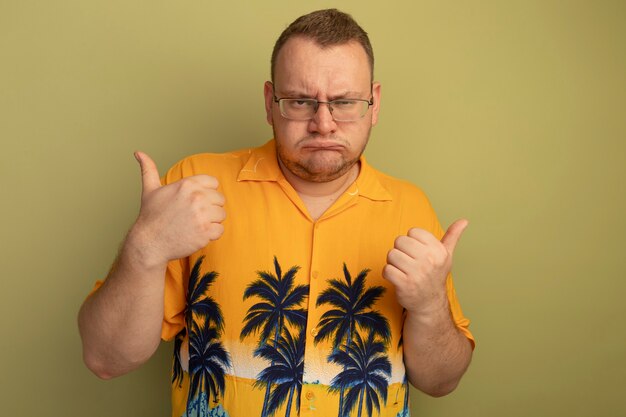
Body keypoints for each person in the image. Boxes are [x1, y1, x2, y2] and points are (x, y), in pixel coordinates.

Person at [78, 8, 474, 417]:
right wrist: (145, 247)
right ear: (270, 102)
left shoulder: (412, 208)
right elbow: (105, 360)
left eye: (344, 102)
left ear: (374, 104)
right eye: (301, 101)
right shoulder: (194, 186)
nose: (324, 123)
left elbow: (441, 382)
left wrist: (429, 306)